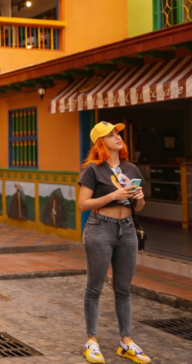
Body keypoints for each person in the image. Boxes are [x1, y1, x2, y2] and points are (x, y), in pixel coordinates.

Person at [78, 122, 150, 364]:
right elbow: (83, 204)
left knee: (123, 289)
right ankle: (91, 341)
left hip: (127, 230)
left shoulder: (131, 168)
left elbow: (139, 207)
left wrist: (139, 197)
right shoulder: (93, 169)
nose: (117, 137)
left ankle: (126, 343)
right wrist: (113, 195)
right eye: (110, 135)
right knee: (94, 288)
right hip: (100, 228)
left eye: (117, 133)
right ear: (101, 142)